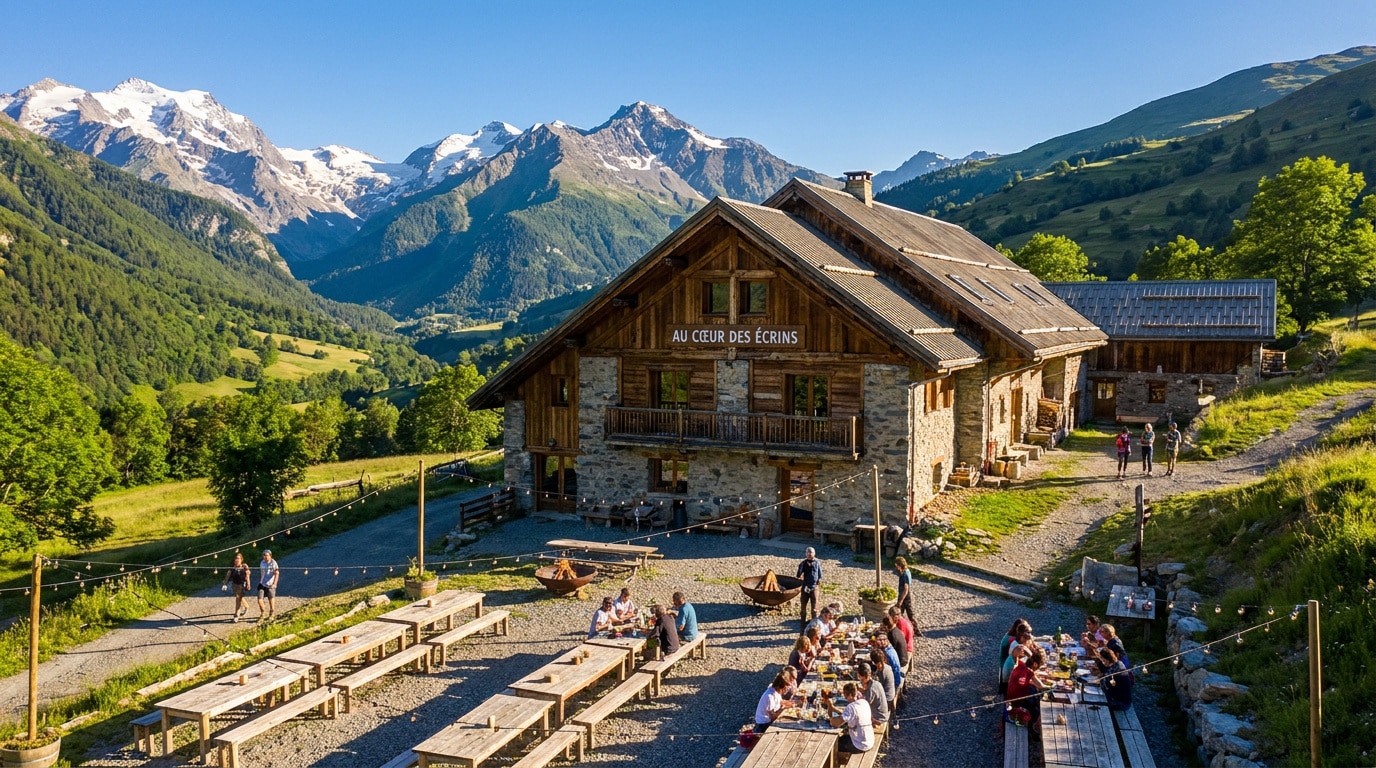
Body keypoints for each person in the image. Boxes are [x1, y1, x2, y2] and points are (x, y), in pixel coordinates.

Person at [825, 682, 875, 754]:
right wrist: (834, 708)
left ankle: (833, 762)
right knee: (843, 737)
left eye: (845, 695)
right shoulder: (864, 702)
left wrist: (830, 708)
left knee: (831, 743)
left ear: (850, 695)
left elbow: (835, 724)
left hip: (859, 745)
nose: (845, 698)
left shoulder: (851, 707)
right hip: (869, 740)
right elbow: (851, 715)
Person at [1006, 647, 1048, 734]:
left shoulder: (1020, 664)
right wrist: (1053, 688)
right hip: (1018, 702)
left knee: (1032, 690)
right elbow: (1041, 686)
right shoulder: (1029, 671)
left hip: (1010, 698)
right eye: (1039, 665)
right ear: (1035, 664)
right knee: (1039, 708)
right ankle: (1034, 729)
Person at [1095, 647, 1134, 711]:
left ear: (1108, 659)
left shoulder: (1115, 669)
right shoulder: (1118, 663)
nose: (1102, 662)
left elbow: (1103, 685)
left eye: (1103, 660)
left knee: (1096, 700)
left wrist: (1100, 679)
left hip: (1121, 703)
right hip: (1123, 700)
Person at [856, 662, 889, 729]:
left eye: (862, 679)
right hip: (881, 713)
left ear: (868, 676)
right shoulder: (875, 683)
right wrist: (861, 690)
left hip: (879, 718)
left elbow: (865, 705)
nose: (861, 681)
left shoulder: (872, 688)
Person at [868, 648, 897, 721]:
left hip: (887, 698)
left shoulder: (884, 671)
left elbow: (878, 688)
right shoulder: (884, 667)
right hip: (886, 694)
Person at [222, 551, 251, 622]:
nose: (237, 560)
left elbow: (247, 575)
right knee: (239, 597)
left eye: (238, 559)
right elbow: (228, 575)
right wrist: (224, 583)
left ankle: (236, 615)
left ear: (241, 560)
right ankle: (246, 606)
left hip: (242, 585)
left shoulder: (244, 567)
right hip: (234, 585)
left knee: (238, 599)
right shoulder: (232, 568)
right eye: (236, 559)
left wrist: (248, 584)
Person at [893, 557, 920, 634]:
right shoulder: (905, 571)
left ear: (899, 565)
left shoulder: (905, 574)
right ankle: (910, 629)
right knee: (904, 614)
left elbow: (906, 589)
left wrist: (900, 601)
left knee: (902, 614)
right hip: (904, 596)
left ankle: (909, 630)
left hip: (905, 597)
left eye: (897, 565)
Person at [797, 547, 823, 626]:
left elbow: (820, 574)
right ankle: (802, 622)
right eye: (807, 552)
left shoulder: (817, 563)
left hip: (814, 587)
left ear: (814, 554)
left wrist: (819, 579)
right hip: (805, 587)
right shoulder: (804, 563)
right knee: (803, 606)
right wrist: (800, 568)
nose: (809, 554)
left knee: (814, 608)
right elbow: (798, 575)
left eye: (810, 552)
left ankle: (814, 622)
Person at [256, 549, 279, 622]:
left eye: (266, 555)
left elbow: (277, 573)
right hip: (262, 583)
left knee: (271, 600)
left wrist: (274, 584)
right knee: (259, 599)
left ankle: (271, 613)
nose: (265, 557)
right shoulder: (262, 563)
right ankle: (262, 613)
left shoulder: (273, 563)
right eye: (264, 555)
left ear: (270, 556)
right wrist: (261, 581)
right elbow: (262, 572)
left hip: (270, 584)